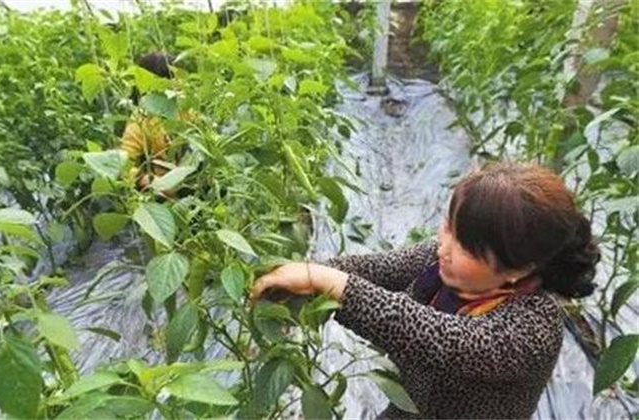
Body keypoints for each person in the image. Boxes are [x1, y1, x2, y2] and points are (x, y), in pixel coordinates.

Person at [251, 161, 600, 419]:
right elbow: (375, 268)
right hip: (409, 408)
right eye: (448, 226)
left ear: (518, 268)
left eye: (466, 245)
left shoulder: (532, 328)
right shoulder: (439, 261)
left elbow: (439, 338)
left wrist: (331, 284)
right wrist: (297, 274)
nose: (444, 245)